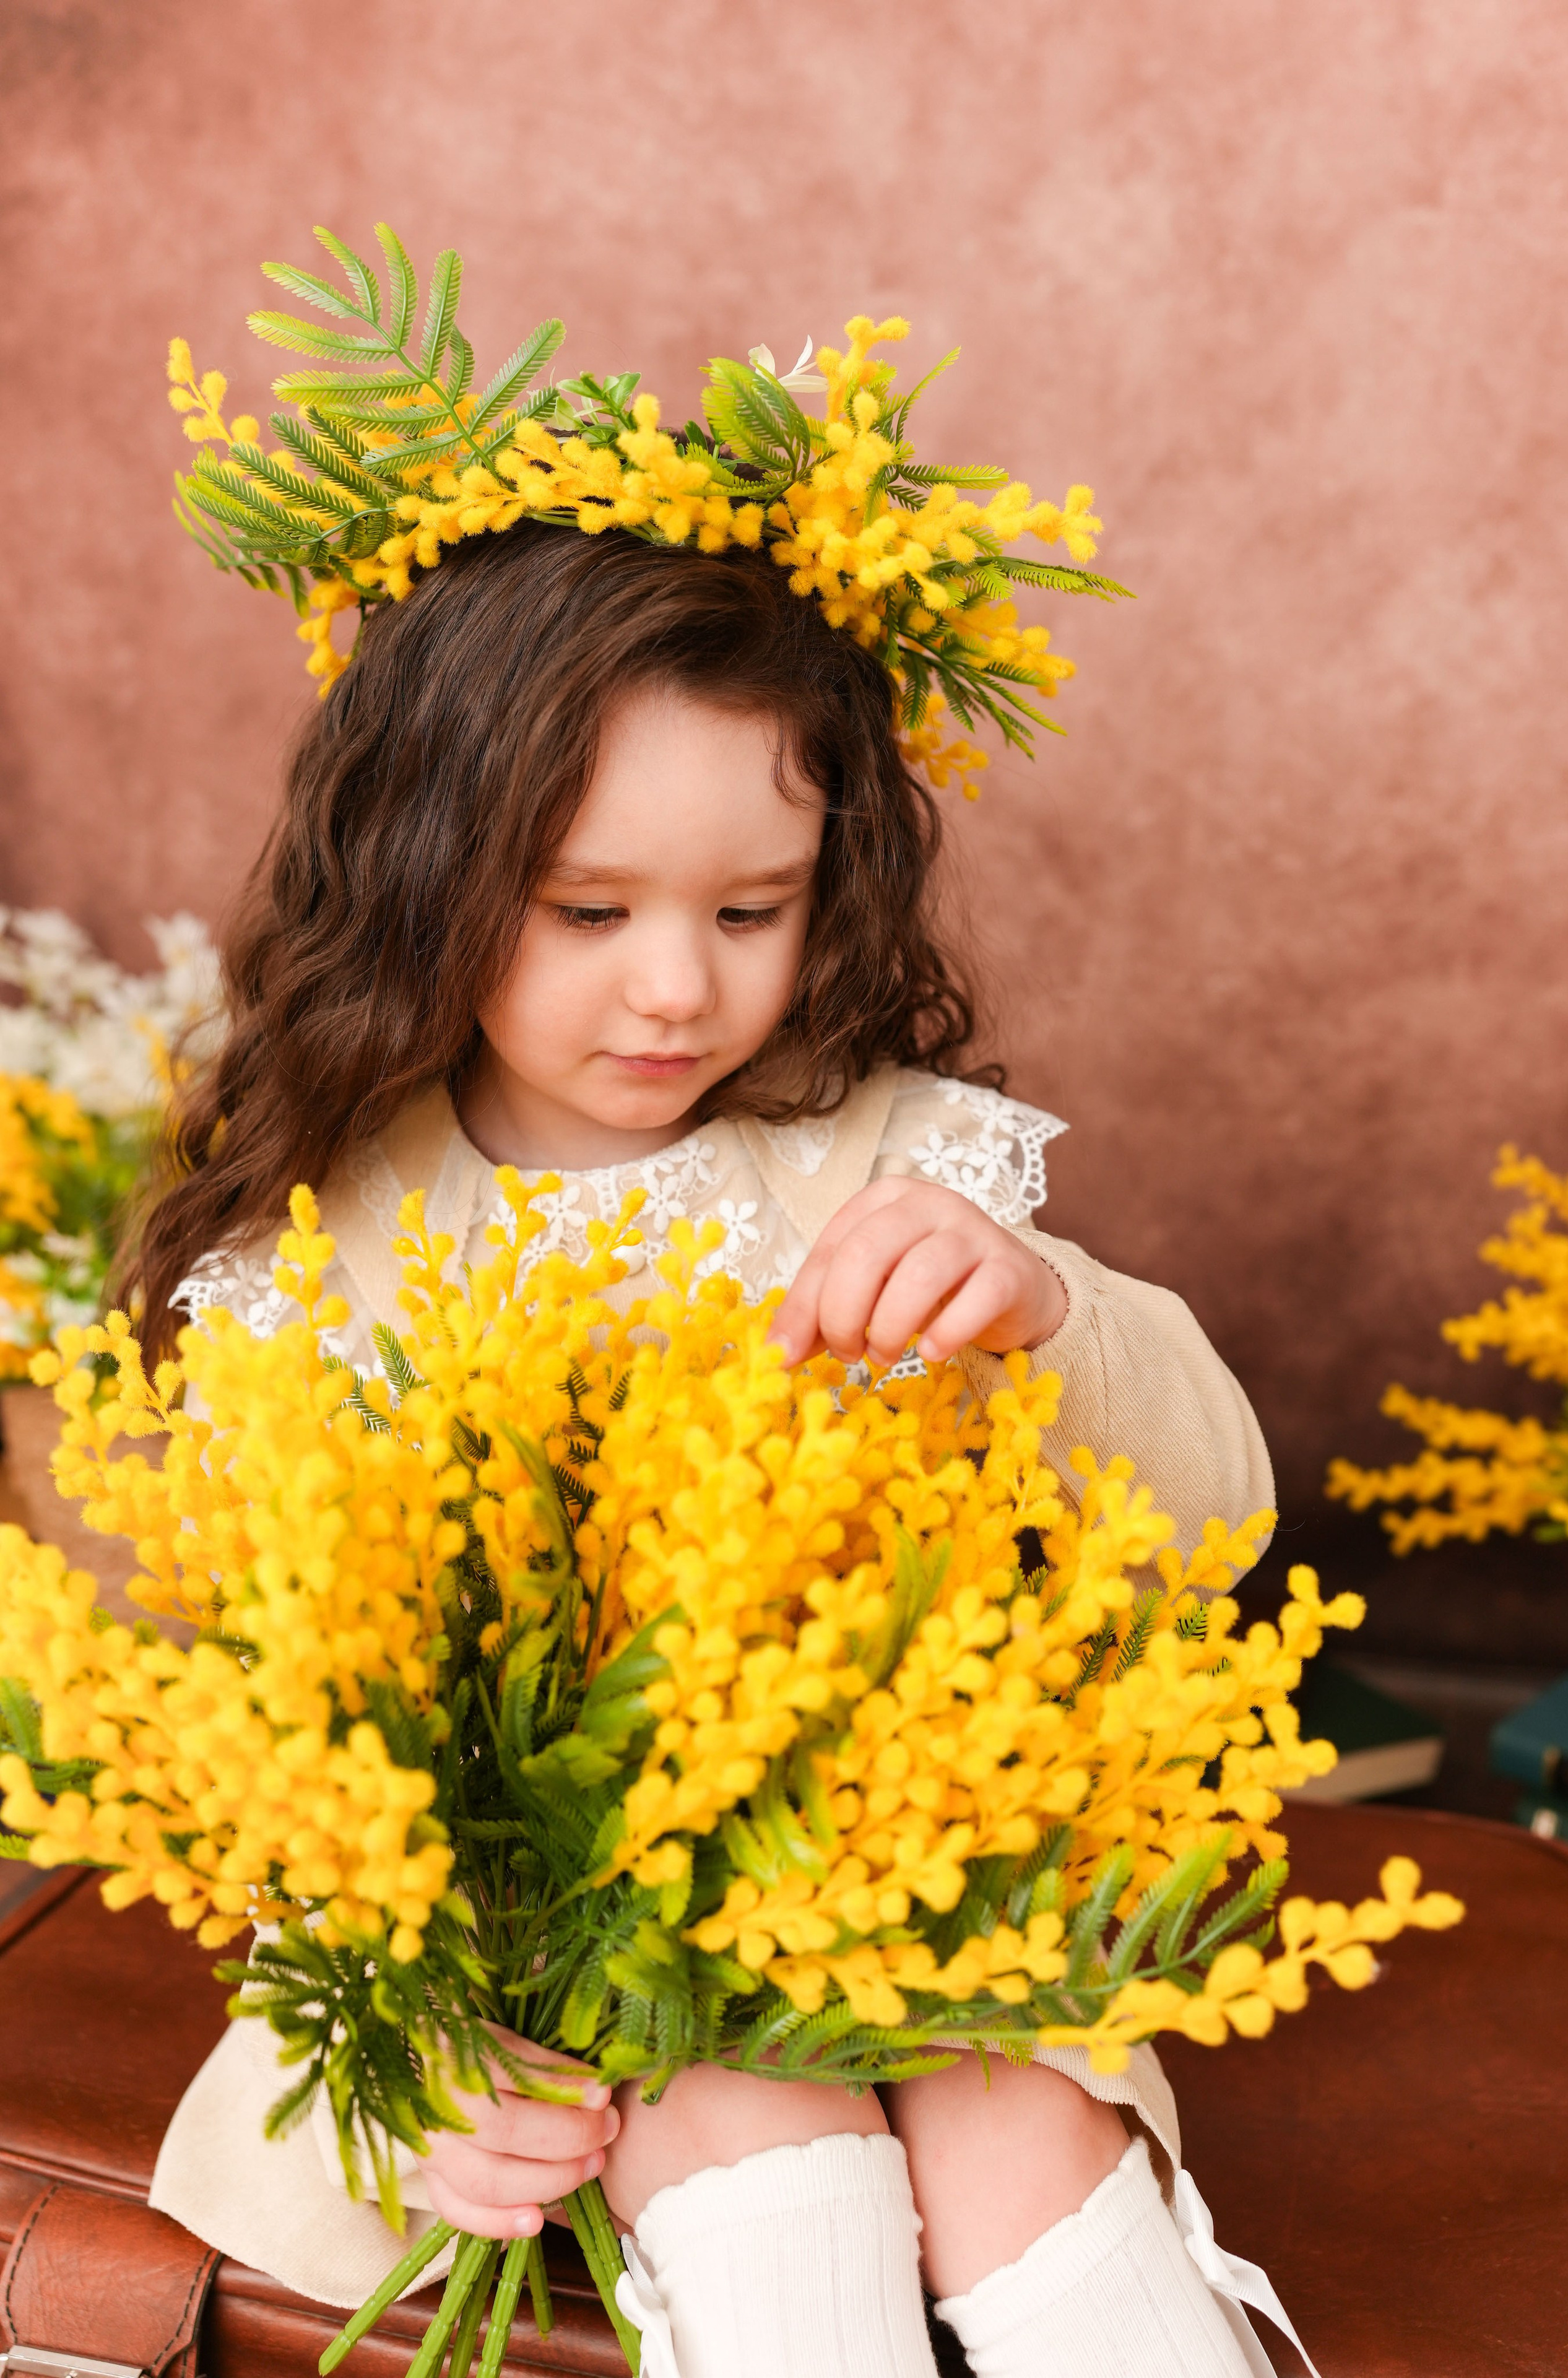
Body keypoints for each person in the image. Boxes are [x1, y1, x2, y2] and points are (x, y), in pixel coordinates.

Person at [137, 303, 1294, 2374]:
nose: (677, 986)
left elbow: (1213, 1512)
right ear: (418, 876)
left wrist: (1037, 1318)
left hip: (891, 1867)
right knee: (748, 2120)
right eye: (589, 912)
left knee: (1021, 2121)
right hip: (534, 1949)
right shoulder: (328, 1257)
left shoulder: (882, 1161)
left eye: (752, 908)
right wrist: (401, 2034)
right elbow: (281, 1751)